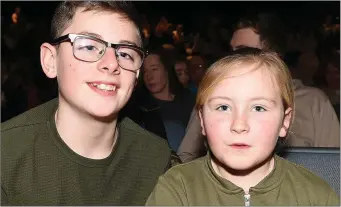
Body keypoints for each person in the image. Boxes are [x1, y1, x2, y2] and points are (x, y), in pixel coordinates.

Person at [1, 1, 172, 205]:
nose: (111, 64)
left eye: (125, 53)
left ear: (136, 75)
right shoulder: (7, 155)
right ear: (50, 61)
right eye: (89, 46)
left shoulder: (155, 158)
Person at [146, 48, 340, 206]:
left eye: (258, 108)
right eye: (223, 107)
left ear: (285, 122)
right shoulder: (177, 189)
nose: (239, 125)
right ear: (202, 120)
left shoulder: (316, 196)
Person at [123, 49, 195, 152]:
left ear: (166, 70)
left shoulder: (188, 99)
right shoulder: (140, 110)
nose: (149, 76)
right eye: (145, 72)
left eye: (154, 69)